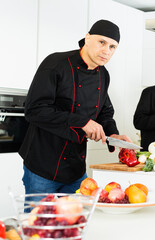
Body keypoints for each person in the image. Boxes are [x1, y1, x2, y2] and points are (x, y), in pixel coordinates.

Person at [19, 19, 131, 195]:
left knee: (78, 221)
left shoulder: (103, 74)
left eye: (112, 47)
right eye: (102, 42)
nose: (106, 51)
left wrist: (113, 133)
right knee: (39, 221)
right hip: (43, 167)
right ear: (87, 38)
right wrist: (82, 122)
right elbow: (35, 110)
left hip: (76, 170)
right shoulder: (56, 63)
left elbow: (104, 112)